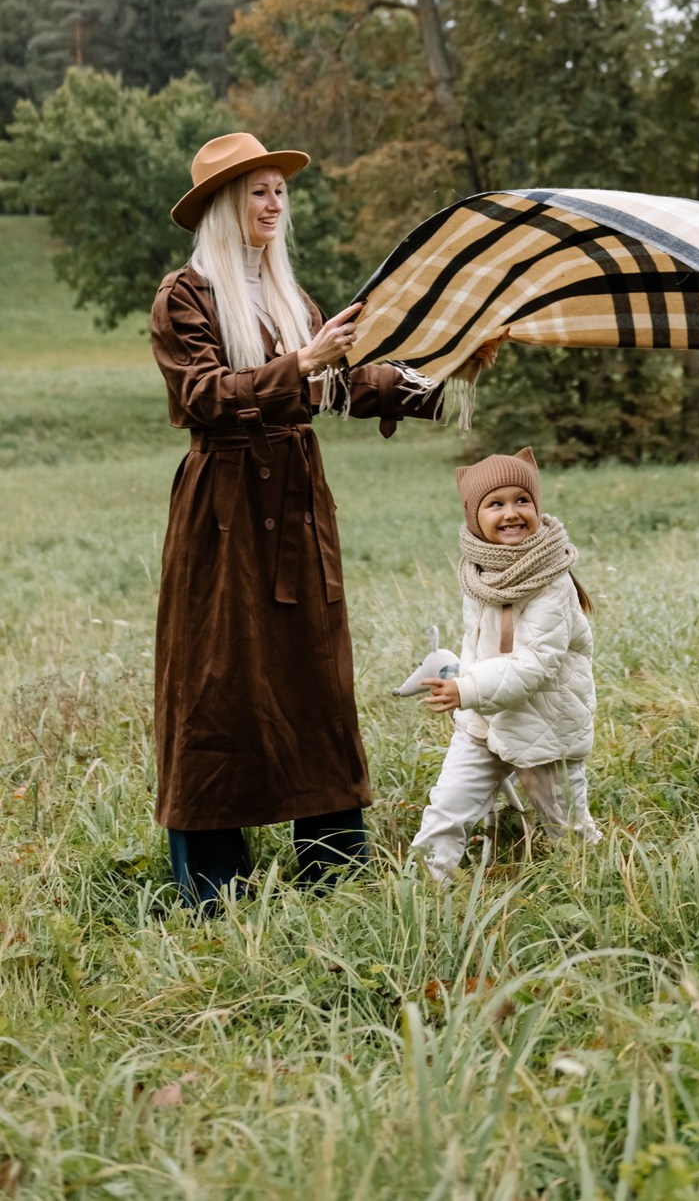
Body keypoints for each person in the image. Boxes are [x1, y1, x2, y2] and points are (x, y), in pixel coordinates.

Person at [151, 131, 478, 908]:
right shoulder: (185, 295)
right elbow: (200, 395)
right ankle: (214, 885)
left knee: (314, 680)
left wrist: (442, 373)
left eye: (279, 191)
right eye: (258, 192)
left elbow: (342, 386)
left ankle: (334, 867)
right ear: (224, 205)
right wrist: (300, 363)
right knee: (216, 683)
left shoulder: (291, 297)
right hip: (223, 513)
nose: (274, 205)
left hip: (298, 510)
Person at [408, 446, 600, 880]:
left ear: (537, 506)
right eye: (495, 504)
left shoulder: (552, 581)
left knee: (567, 826)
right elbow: (477, 645)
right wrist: (465, 687)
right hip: (482, 720)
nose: (511, 512)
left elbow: (537, 661)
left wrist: (467, 689)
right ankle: (422, 887)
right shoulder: (478, 573)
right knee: (448, 806)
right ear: (475, 516)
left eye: (522, 500)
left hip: (544, 724)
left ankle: (592, 885)